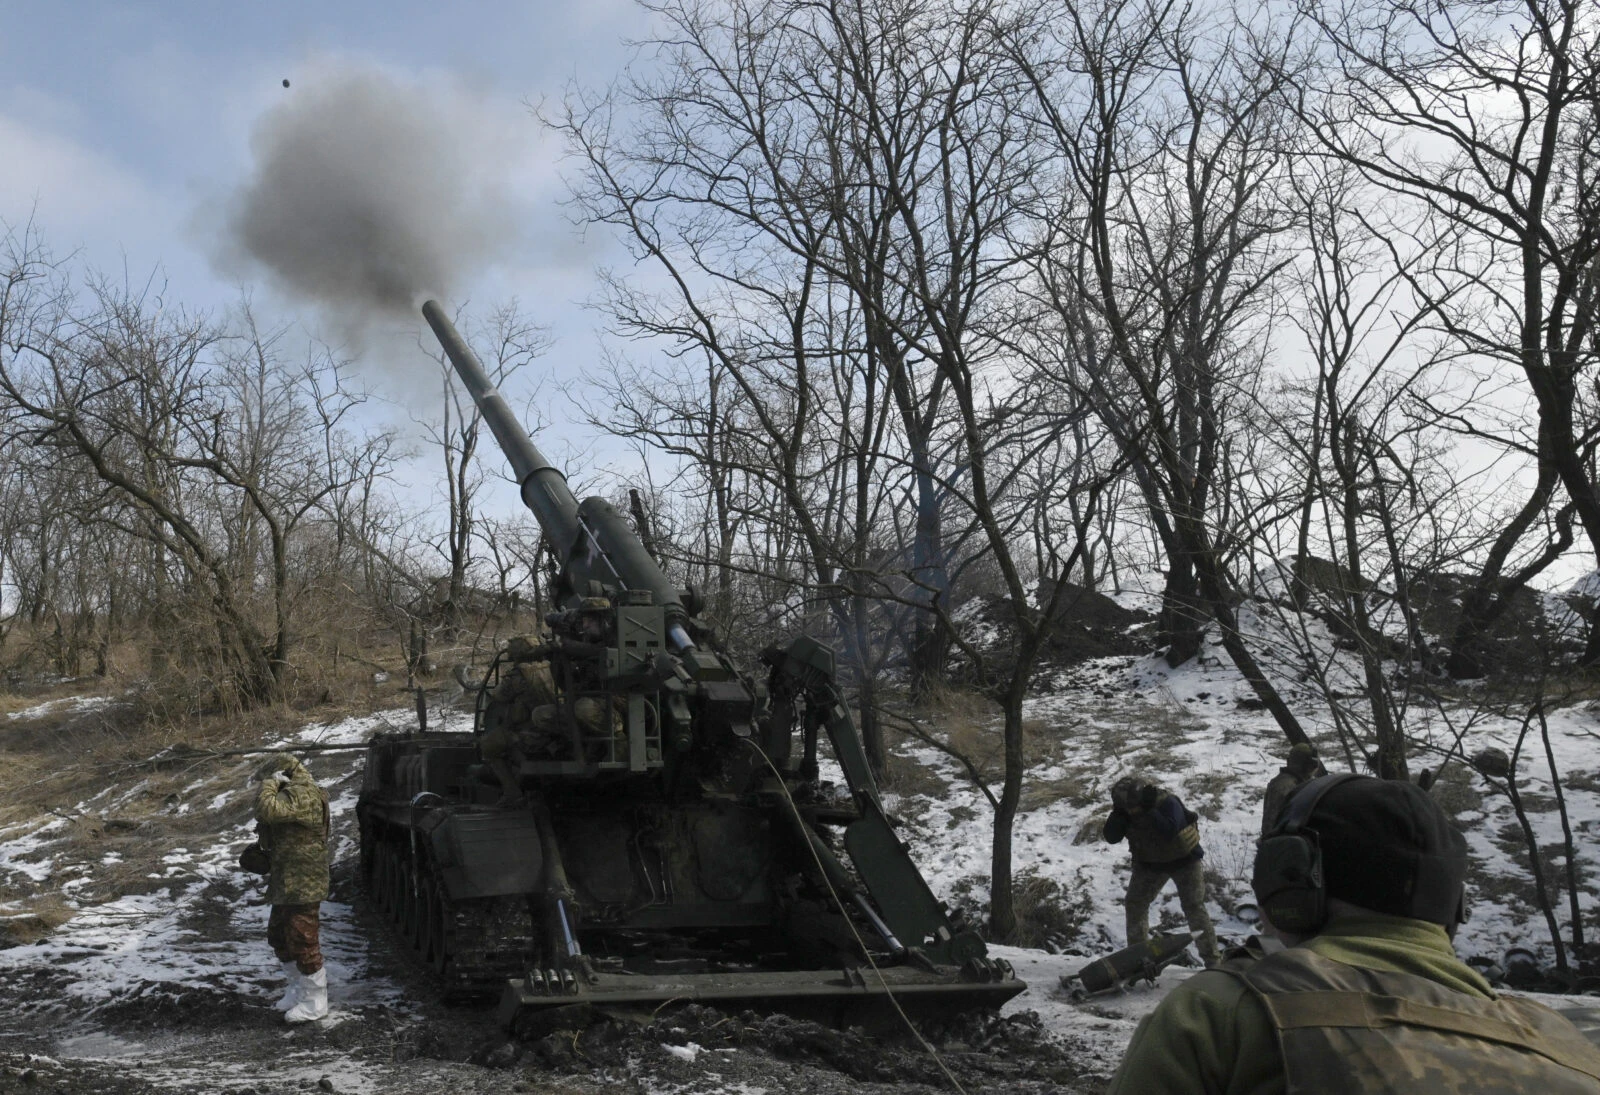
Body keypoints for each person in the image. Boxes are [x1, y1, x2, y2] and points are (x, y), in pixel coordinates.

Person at [1108, 774, 1600, 1093]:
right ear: (1453, 904)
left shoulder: (1218, 1016)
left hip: (1179, 866)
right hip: (1152, 864)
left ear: (1287, 877)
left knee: (1196, 912)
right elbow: (1112, 834)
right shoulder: (1571, 1048)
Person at [1103, 774, 1220, 968]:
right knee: (1135, 904)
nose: (1131, 812)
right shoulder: (1125, 810)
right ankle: (1138, 959)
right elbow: (1111, 837)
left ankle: (1213, 962)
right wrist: (1118, 815)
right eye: (1126, 808)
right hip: (1150, 865)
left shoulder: (1167, 803)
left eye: (1132, 807)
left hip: (1185, 862)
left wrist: (1149, 811)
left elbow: (1169, 830)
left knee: (1194, 907)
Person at [253, 754, 331, 1023]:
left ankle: (315, 1000)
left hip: (303, 879)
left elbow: (267, 810)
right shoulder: (295, 793)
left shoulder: (304, 793)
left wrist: (269, 784)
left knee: (302, 938)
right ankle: (298, 990)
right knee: (278, 935)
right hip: (288, 877)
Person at [1260, 742, 1322, 838]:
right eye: (1315, 765)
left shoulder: (1289, 782)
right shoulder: (1288, 787)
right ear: (1310, 766)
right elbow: (1275, 828)